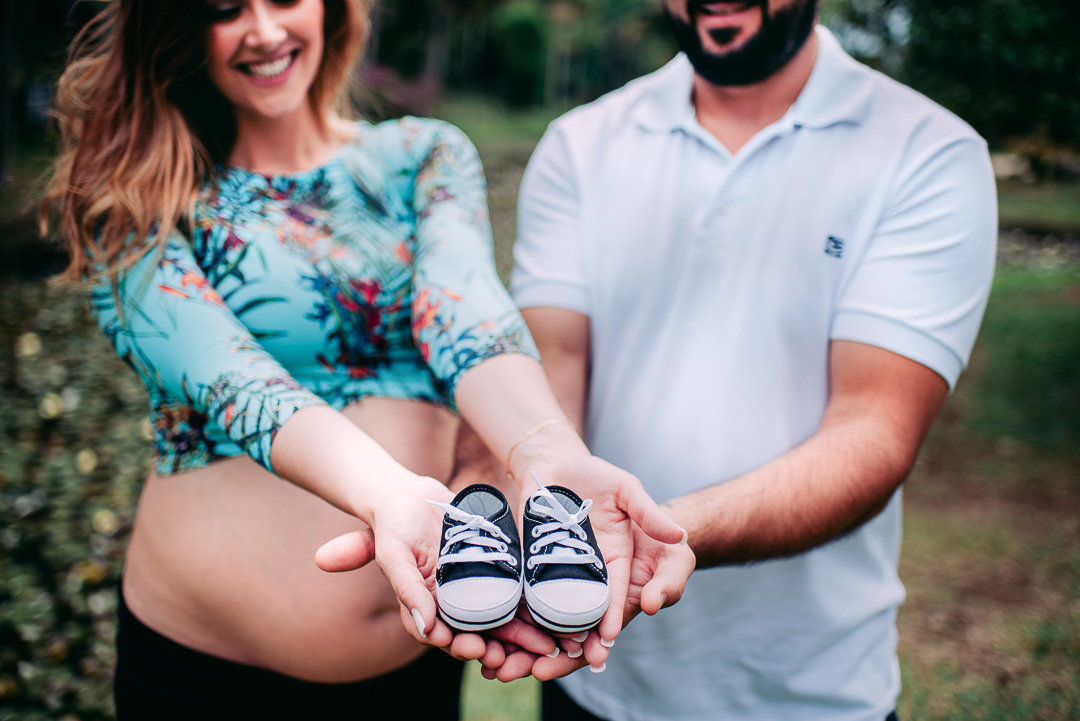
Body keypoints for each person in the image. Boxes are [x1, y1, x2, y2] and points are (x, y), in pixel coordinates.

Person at [40, 0, 691, 717]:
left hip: (419, 664)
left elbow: (466, 312)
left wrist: (547, 452)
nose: (263, 30)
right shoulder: (137, 188)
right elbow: (229, 377)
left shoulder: (424, 155)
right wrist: (388, 495)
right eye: (225, 8)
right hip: (204, 671)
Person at [488, 0, 998, 717]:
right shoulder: (581, 144)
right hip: (596, 681)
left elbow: (874, 429)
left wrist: (665, 531)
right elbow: (551, 384)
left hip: (809, 692)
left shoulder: (926, 151)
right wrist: (547, 513)